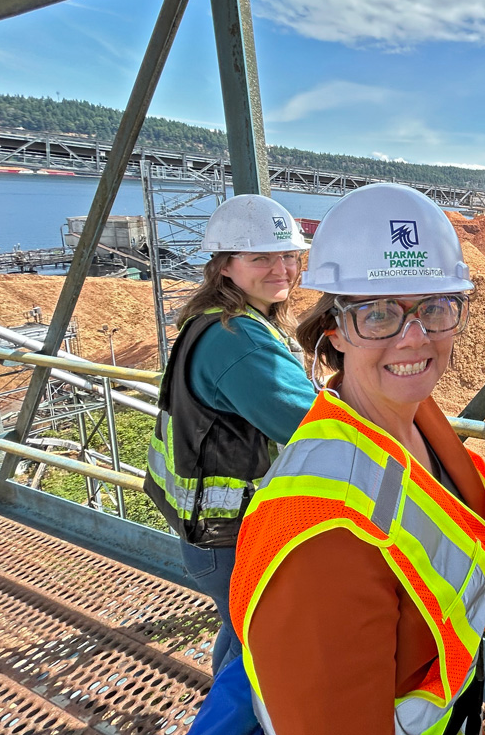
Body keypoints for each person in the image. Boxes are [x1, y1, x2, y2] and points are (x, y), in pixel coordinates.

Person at [227, 183, 485, 735]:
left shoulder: (416, 420)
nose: (414, 338)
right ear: (335, 331)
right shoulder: (321, 534)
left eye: (435, 309)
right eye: (379, 314)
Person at [144, 193, 316, 674]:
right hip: (232, 539)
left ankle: (219, 709)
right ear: (224, 266)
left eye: (289, 256)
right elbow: (312, 428)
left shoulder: (215, 322)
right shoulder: (238, 340)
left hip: (211, 536)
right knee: (259, 661)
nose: (282, 269)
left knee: (241, 641)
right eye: (260, 258)